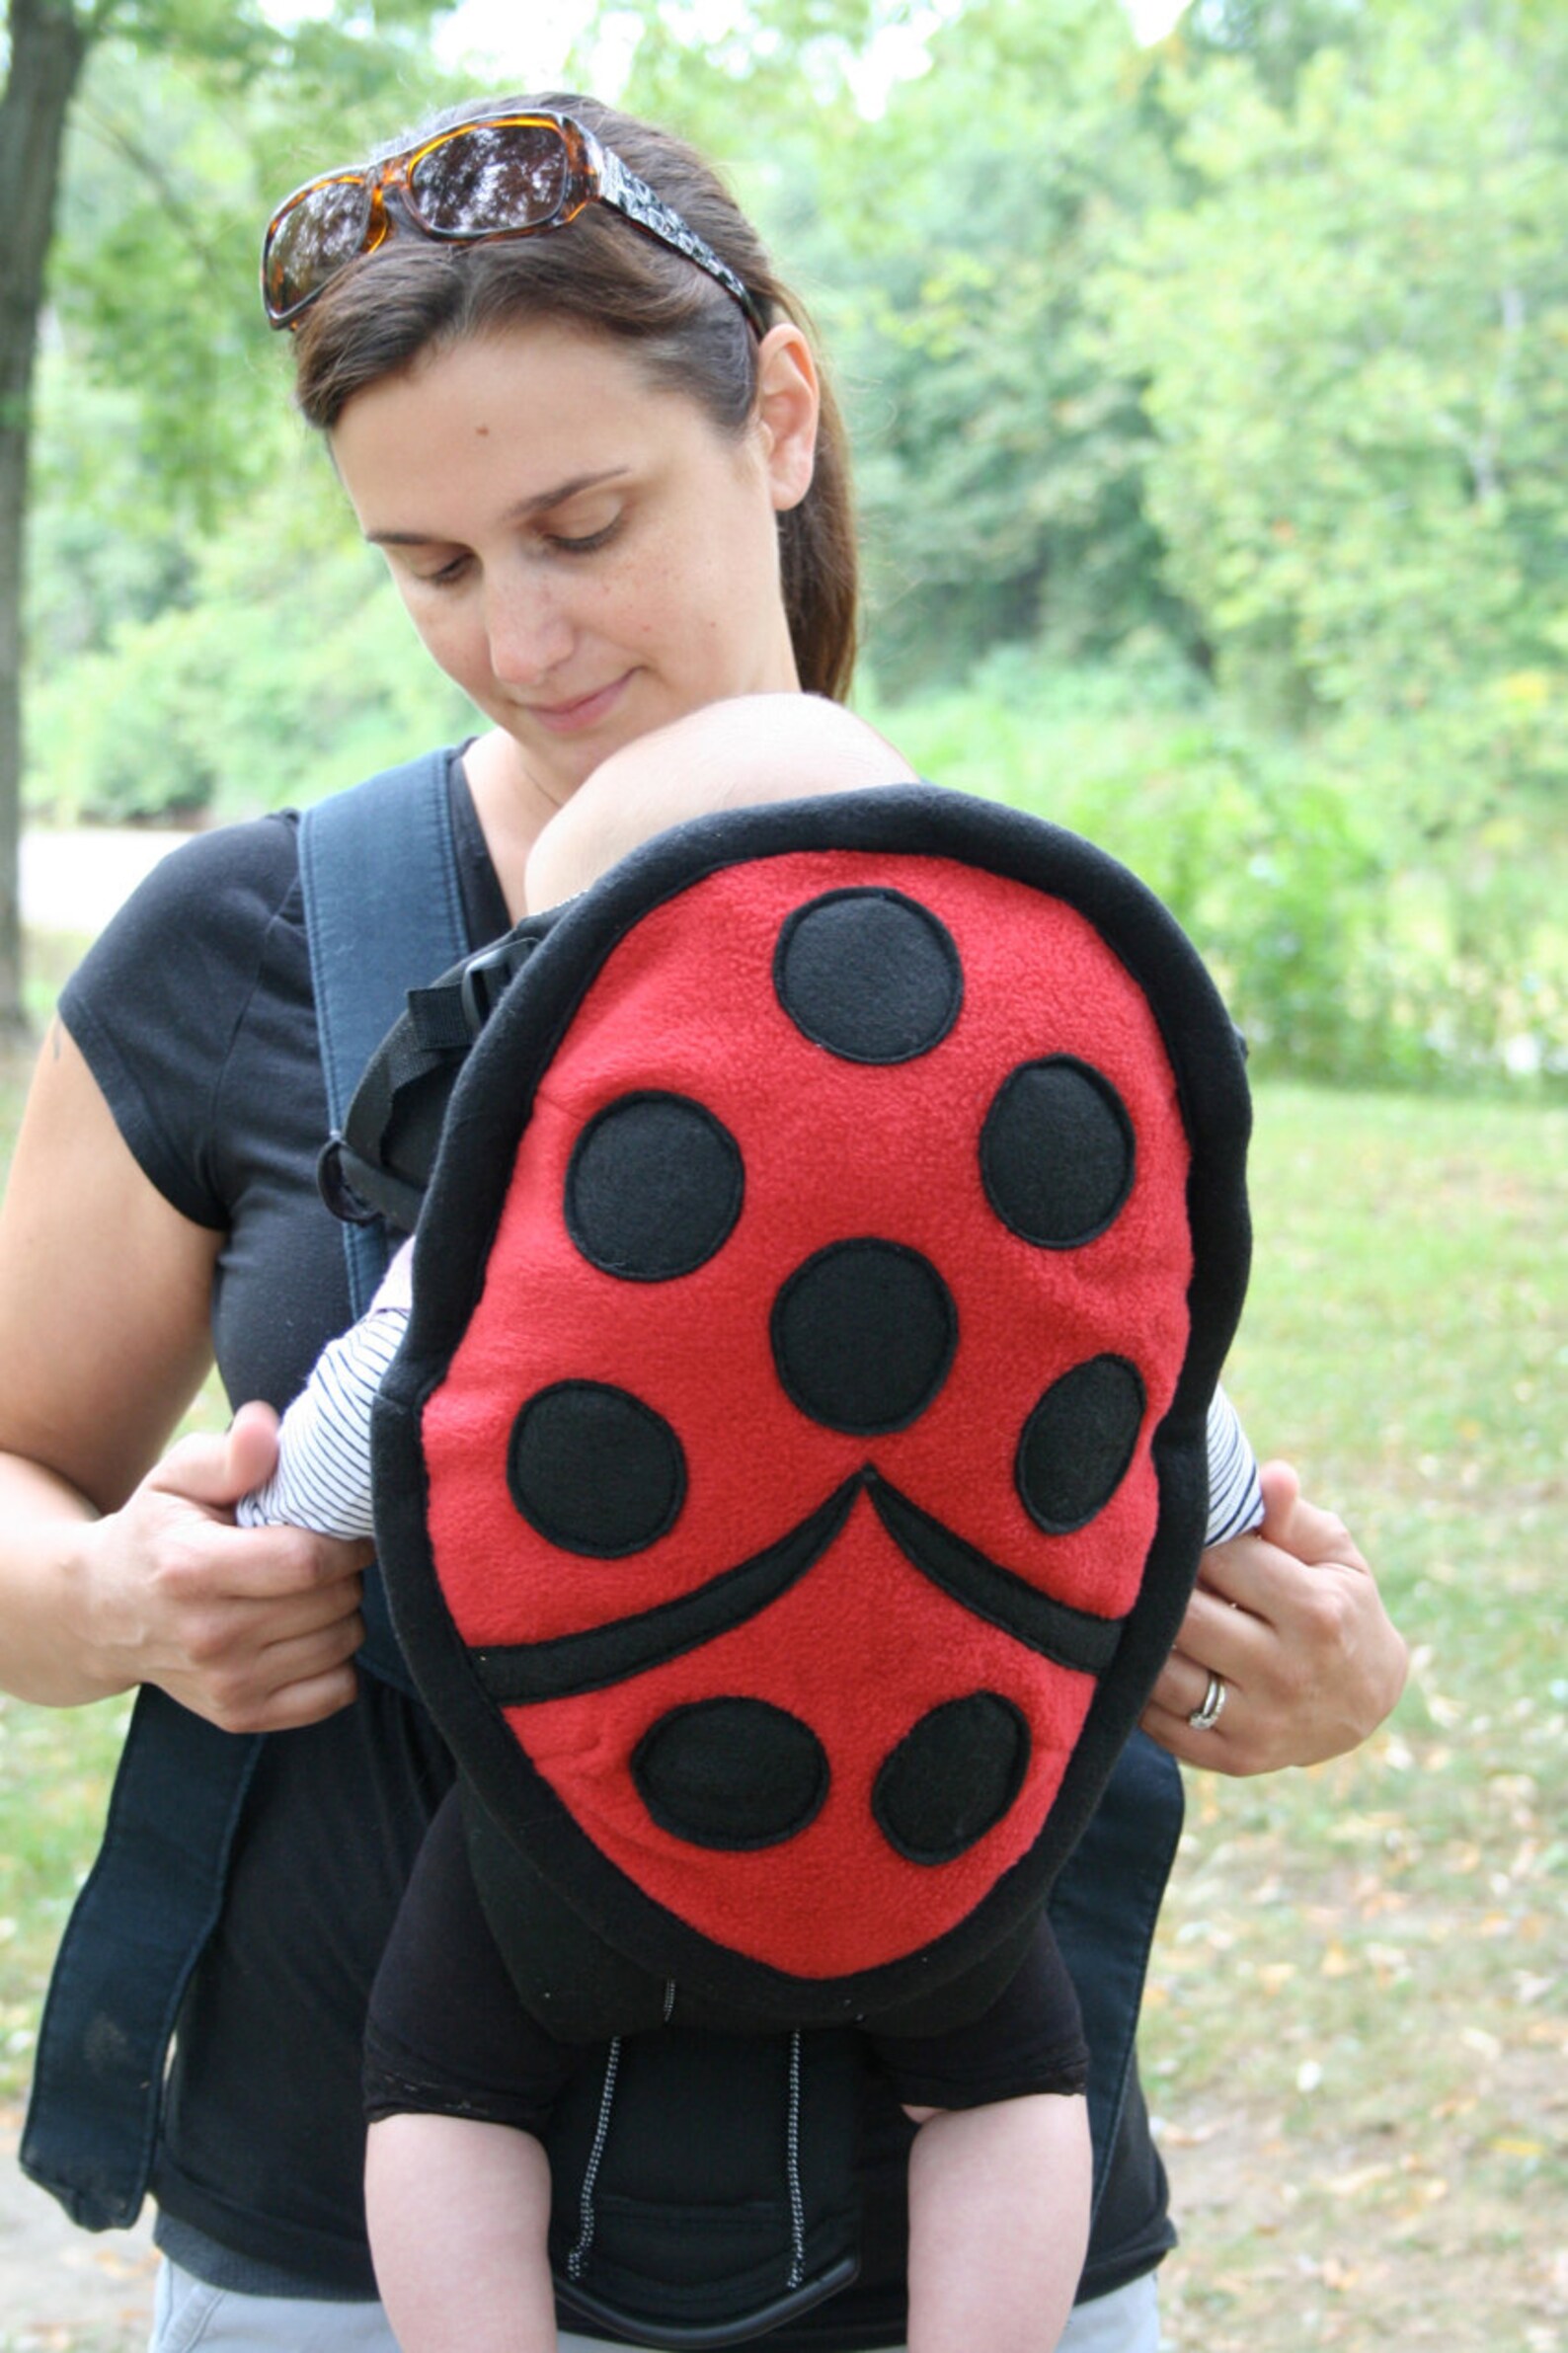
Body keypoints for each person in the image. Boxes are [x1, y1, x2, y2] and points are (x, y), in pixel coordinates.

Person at [0, 89, 1408, 2353]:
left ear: (774, 414)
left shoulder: (1041, 971)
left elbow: (1124, 1470)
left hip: (971, 2218)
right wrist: (101, 1600)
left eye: (580, 524)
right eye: (430, 566)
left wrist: (1307, 1672)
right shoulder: (248, 945)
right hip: (352, 2246)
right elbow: (19, 1469)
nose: (521, 639)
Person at [233, 689, 1267, 2353]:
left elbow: (380, 1423)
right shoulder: (1046, 1189)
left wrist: (265, 1513)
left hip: (589, 1823)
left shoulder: (550, 1181)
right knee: (1012, 2086)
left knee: (444, 2086)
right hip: (938, 1818)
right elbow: (1172, 1435)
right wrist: (1246, 1530)